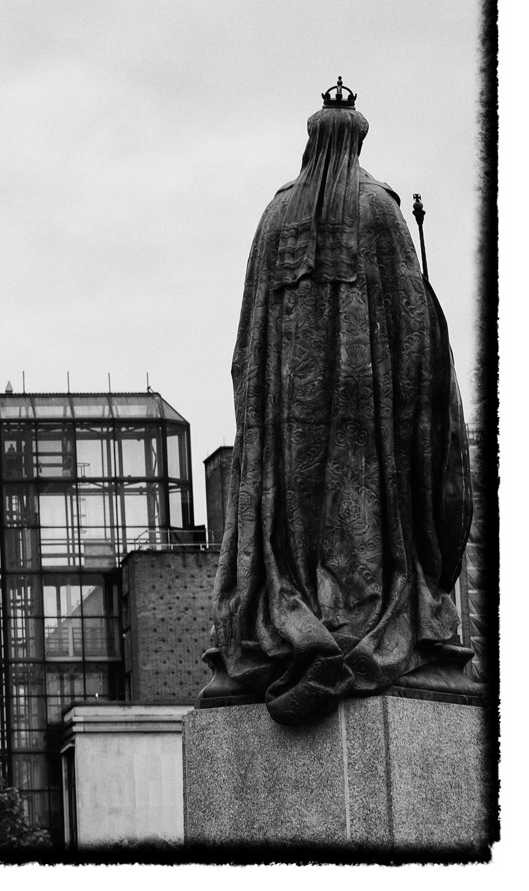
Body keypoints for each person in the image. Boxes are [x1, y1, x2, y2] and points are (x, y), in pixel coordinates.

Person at [200, 80, 473, 726]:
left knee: (295, 531)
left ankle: (298, 631)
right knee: (368, 529)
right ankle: (355, 635)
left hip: (285, 423)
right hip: (365, 416)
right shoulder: (377, 209)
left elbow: (247, 342)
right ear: (356, 142)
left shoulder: (273, 217)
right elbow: (413, 328)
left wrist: (259, 413)